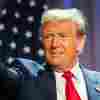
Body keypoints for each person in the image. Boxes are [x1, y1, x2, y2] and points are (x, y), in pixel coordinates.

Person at [17, 8, 100, 100]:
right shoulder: (28, 80)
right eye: (48, 37)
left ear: (80, 42)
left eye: (62, 36)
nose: (54, 44)